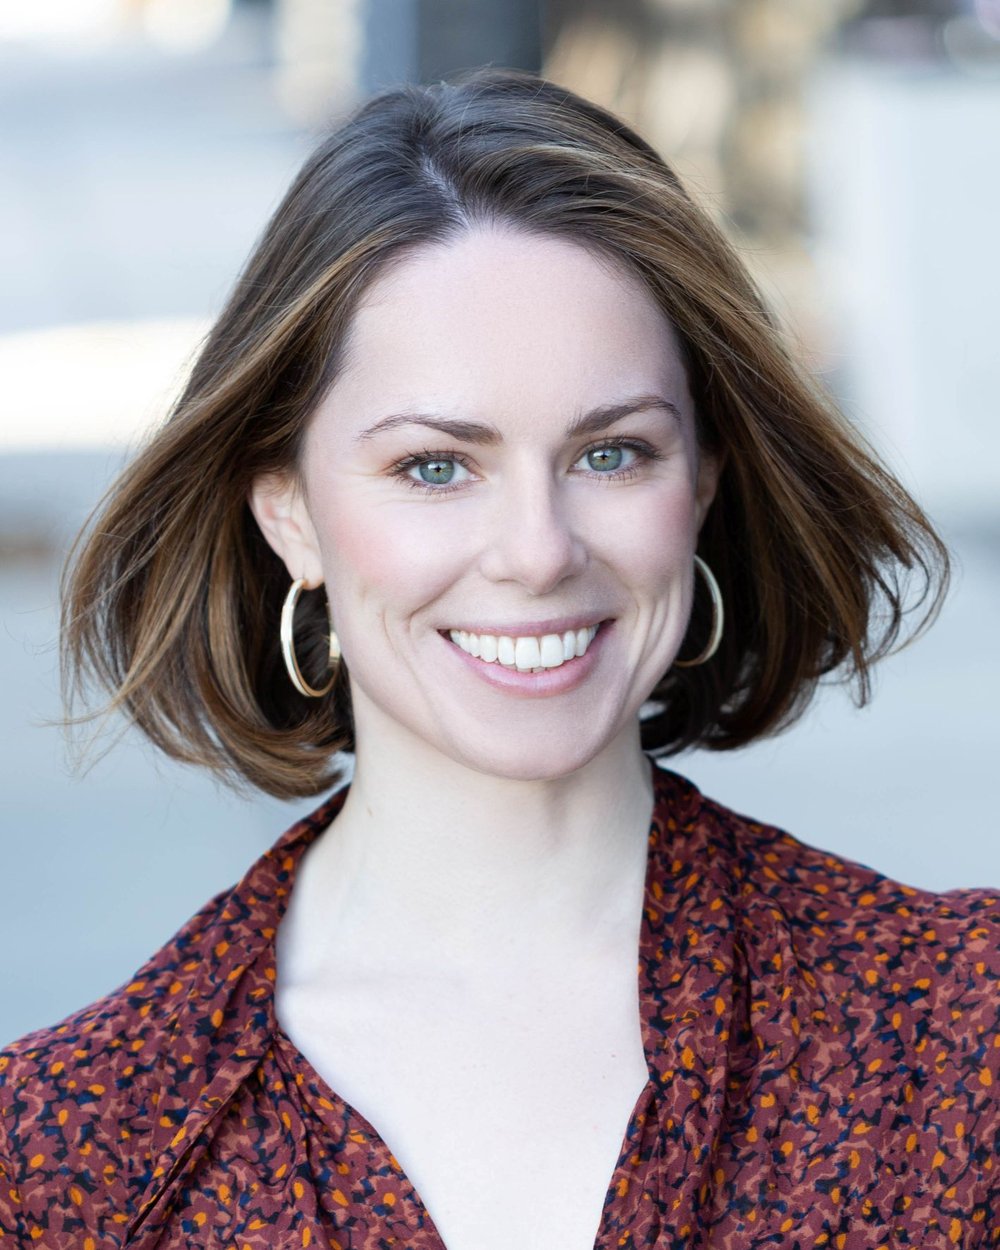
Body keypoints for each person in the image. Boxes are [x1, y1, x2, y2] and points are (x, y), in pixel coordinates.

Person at [1, 66, 996, 1250]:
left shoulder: (956, 1034)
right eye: (435, 465)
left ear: (705, 481)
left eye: (613, 453)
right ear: (289, 513)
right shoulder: (71, 1152)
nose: (536, 551)